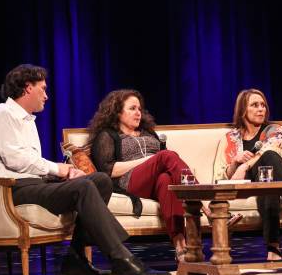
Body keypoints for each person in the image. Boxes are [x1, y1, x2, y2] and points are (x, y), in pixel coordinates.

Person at [0, 65, 169, 275]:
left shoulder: (26, 120)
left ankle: (75, 261)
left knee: (100, 181)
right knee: (84, 187)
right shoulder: (2, 113)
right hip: (9, 190)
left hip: (31, 185)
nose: (46, 96)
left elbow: (27, 163)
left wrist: (61, 174)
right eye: (43, 89)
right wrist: (58, 168)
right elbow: (15, 159)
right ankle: (122, 259)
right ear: (28, 88)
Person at [88, 89, 242, 263]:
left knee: (166, 180)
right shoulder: (108, 135)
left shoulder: (148, 133)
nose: (138, 113)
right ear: (117, 112)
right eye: (132, 108)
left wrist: (156, 160)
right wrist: (150, 160)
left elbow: (164, 164)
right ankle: (209, 206)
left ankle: (181, 248)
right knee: (166, 155)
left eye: (139, 109)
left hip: (155, 182)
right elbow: (108, 170)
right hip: (129, 182)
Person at [213, 89, 282, 261]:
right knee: (267, 173)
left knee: (268, 167)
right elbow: (222, 176)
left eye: (263, 105)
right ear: (243, 110)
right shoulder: (229, 138)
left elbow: (272, 148)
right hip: (245, 183)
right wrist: (236, 162)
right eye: (254, 105)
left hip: (271, 177)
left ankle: (274, 247)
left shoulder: (273, 129)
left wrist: (245, 166)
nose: (261, 109)